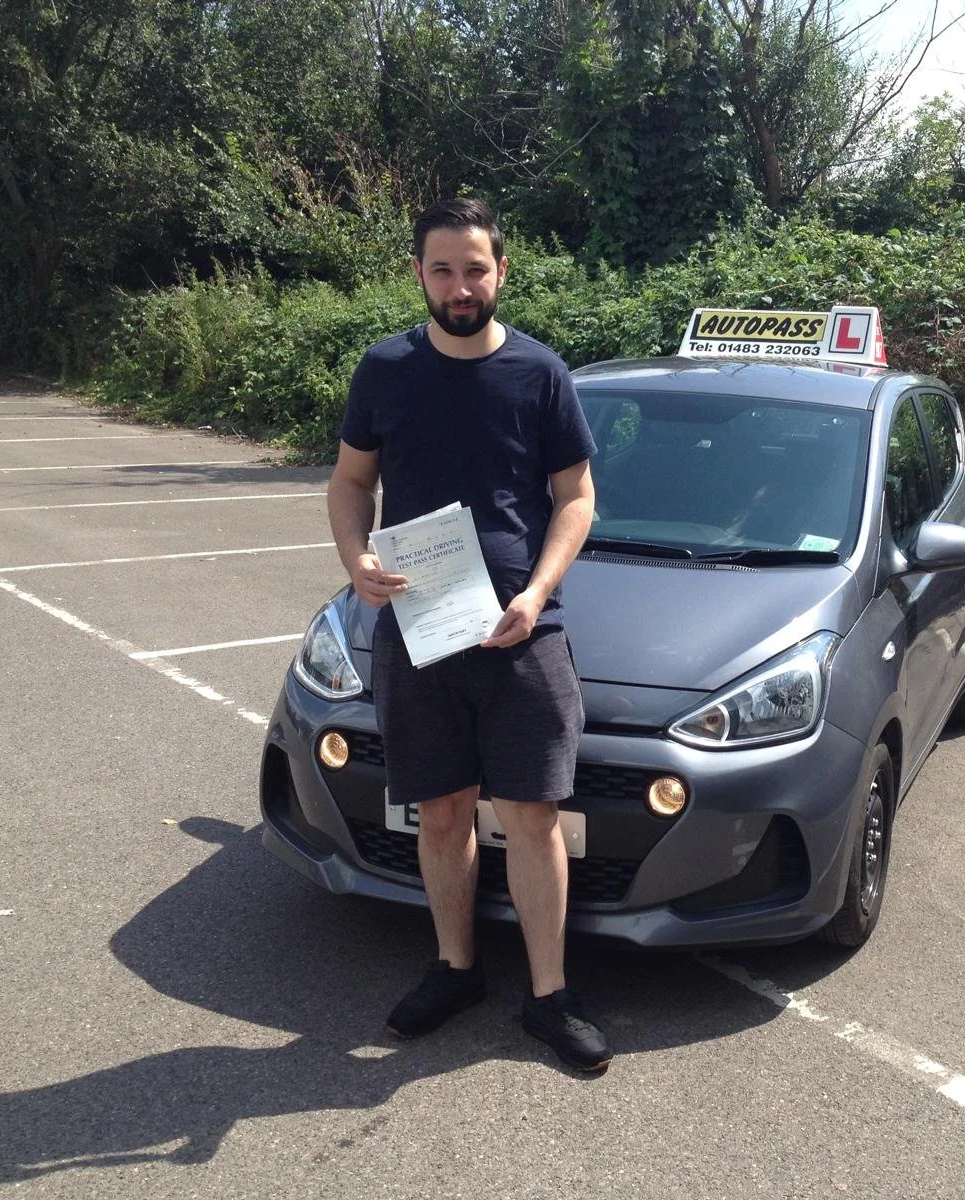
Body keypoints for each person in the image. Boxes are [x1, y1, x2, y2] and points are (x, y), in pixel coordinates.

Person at [326, 197, 608, 1073]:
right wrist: (355, 560)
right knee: (442, 812)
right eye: (442, 269)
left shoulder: (540, 374)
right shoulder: (385, 371)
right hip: (419, 632)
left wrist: (538, 591)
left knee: (533, 815)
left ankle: (550, 997)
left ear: (501, 272)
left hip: (524, 634)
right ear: (419, 273)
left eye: (474, 269)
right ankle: (455, 971)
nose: (459, 286)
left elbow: (577, 499)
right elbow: (348, 485)